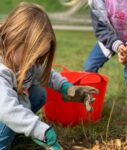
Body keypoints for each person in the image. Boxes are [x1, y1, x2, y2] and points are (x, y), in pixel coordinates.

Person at [0, 3, 99, 150]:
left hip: (7, 110)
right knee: (10, 120)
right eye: (32, 56)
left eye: (39, 57)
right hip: (4, 110)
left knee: (38, 94)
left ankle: (16, 130)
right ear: (13, 39)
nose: (35, 62)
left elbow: (47, 74)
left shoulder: (24, 60)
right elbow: (7, 110)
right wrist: (40, 130)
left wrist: (67, 88)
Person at [84, 0, 127, 134]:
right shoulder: (97, 2)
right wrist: (118, 46)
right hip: (110, 39)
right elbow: (101, 29)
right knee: (88, 69)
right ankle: (90, 108)